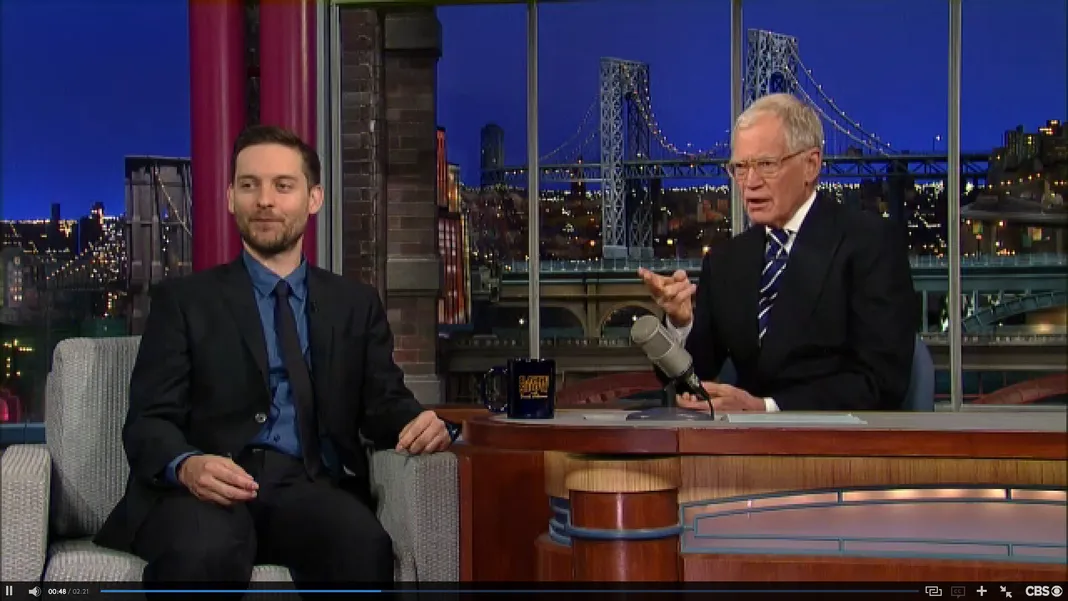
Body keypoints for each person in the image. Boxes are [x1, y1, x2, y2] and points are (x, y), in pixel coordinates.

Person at [95, 125, 457, 586]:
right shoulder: (183, 301)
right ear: (230, 197)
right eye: (249, 185)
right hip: (205, 492)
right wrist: (187, 465)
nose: (264, 200)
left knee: (362, 548)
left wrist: (420, 422)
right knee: (205, 556)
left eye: (282, 186)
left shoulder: (355, 304)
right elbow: (148, 421)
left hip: (309, 487)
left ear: (314, 198)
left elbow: (383, 402)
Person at [639, 93, 917, 413]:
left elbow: (881, 382)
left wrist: (767, 407)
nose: (750, 183)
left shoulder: (869, 244)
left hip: (838, 447)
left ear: (811, 165)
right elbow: (691, 379)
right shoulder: (727, 259)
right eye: (740, 167)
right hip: (743, 448)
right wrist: (680, 323)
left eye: (767, 165)